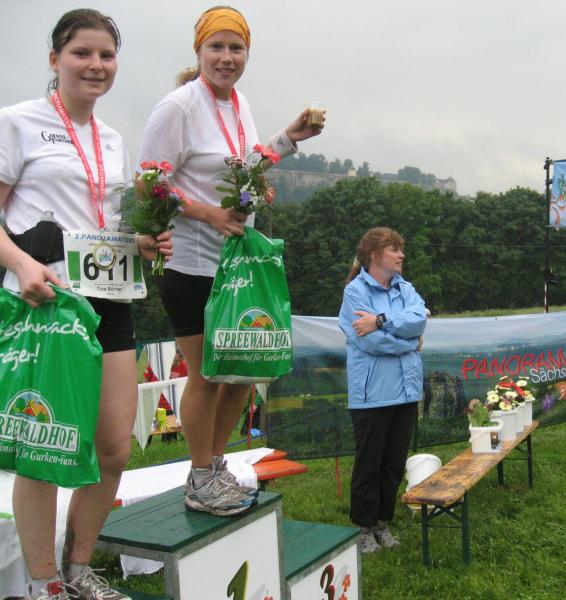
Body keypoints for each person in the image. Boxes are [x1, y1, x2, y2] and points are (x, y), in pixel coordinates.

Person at [0, 9, 172, 600]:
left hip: (108, 299)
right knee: (47, 447)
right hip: (45, 302)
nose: (96, 65)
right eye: (82, 53)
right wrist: (20, 264)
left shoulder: (113, 139)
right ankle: (44, 584)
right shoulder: (17, 122)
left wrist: (141, 243)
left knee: (114, 448)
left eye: (106, 55)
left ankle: (78, 569)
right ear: (55, 60)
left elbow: (100, 226)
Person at [138, 6, 324, 517]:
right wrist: (209, 214)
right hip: (191, 264)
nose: (226, 57)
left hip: (238, 264)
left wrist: (286, 141)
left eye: (236, 48)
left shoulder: (240, 103)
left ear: (247, 54)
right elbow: (148, 181)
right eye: (216, 47)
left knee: (241, 374)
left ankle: (215, 467)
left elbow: (244, 168)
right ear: (198, 51)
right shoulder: (178, 107)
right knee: (208, 376)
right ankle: (200, 477)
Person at [338, 227, 428, 554]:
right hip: (371, 396)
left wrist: (380, 319)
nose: (402, 255)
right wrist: (409, 344)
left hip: (406, 391)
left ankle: (381, 523)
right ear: (375, 256)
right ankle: (362, 528)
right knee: (370, 465)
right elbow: (371, 343)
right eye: (394, 249)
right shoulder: (355, 292)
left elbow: (418, 321)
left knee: (393, 464)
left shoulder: (406, 288)